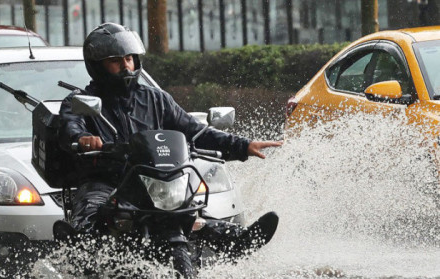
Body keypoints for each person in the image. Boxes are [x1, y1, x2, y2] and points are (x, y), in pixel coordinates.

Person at [58, 22, 282, 259]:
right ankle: (78, 255)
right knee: (91, 216)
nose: (125, 66)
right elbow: (70, 126)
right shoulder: (82, 100)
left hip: (150, 179)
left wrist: (243, 146)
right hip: (104, 179)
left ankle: (237, 241)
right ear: (98, 66)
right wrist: (83, 139)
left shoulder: (156, 99)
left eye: (129, 59)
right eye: (115, 61)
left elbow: (194, 130)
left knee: (190, 212)